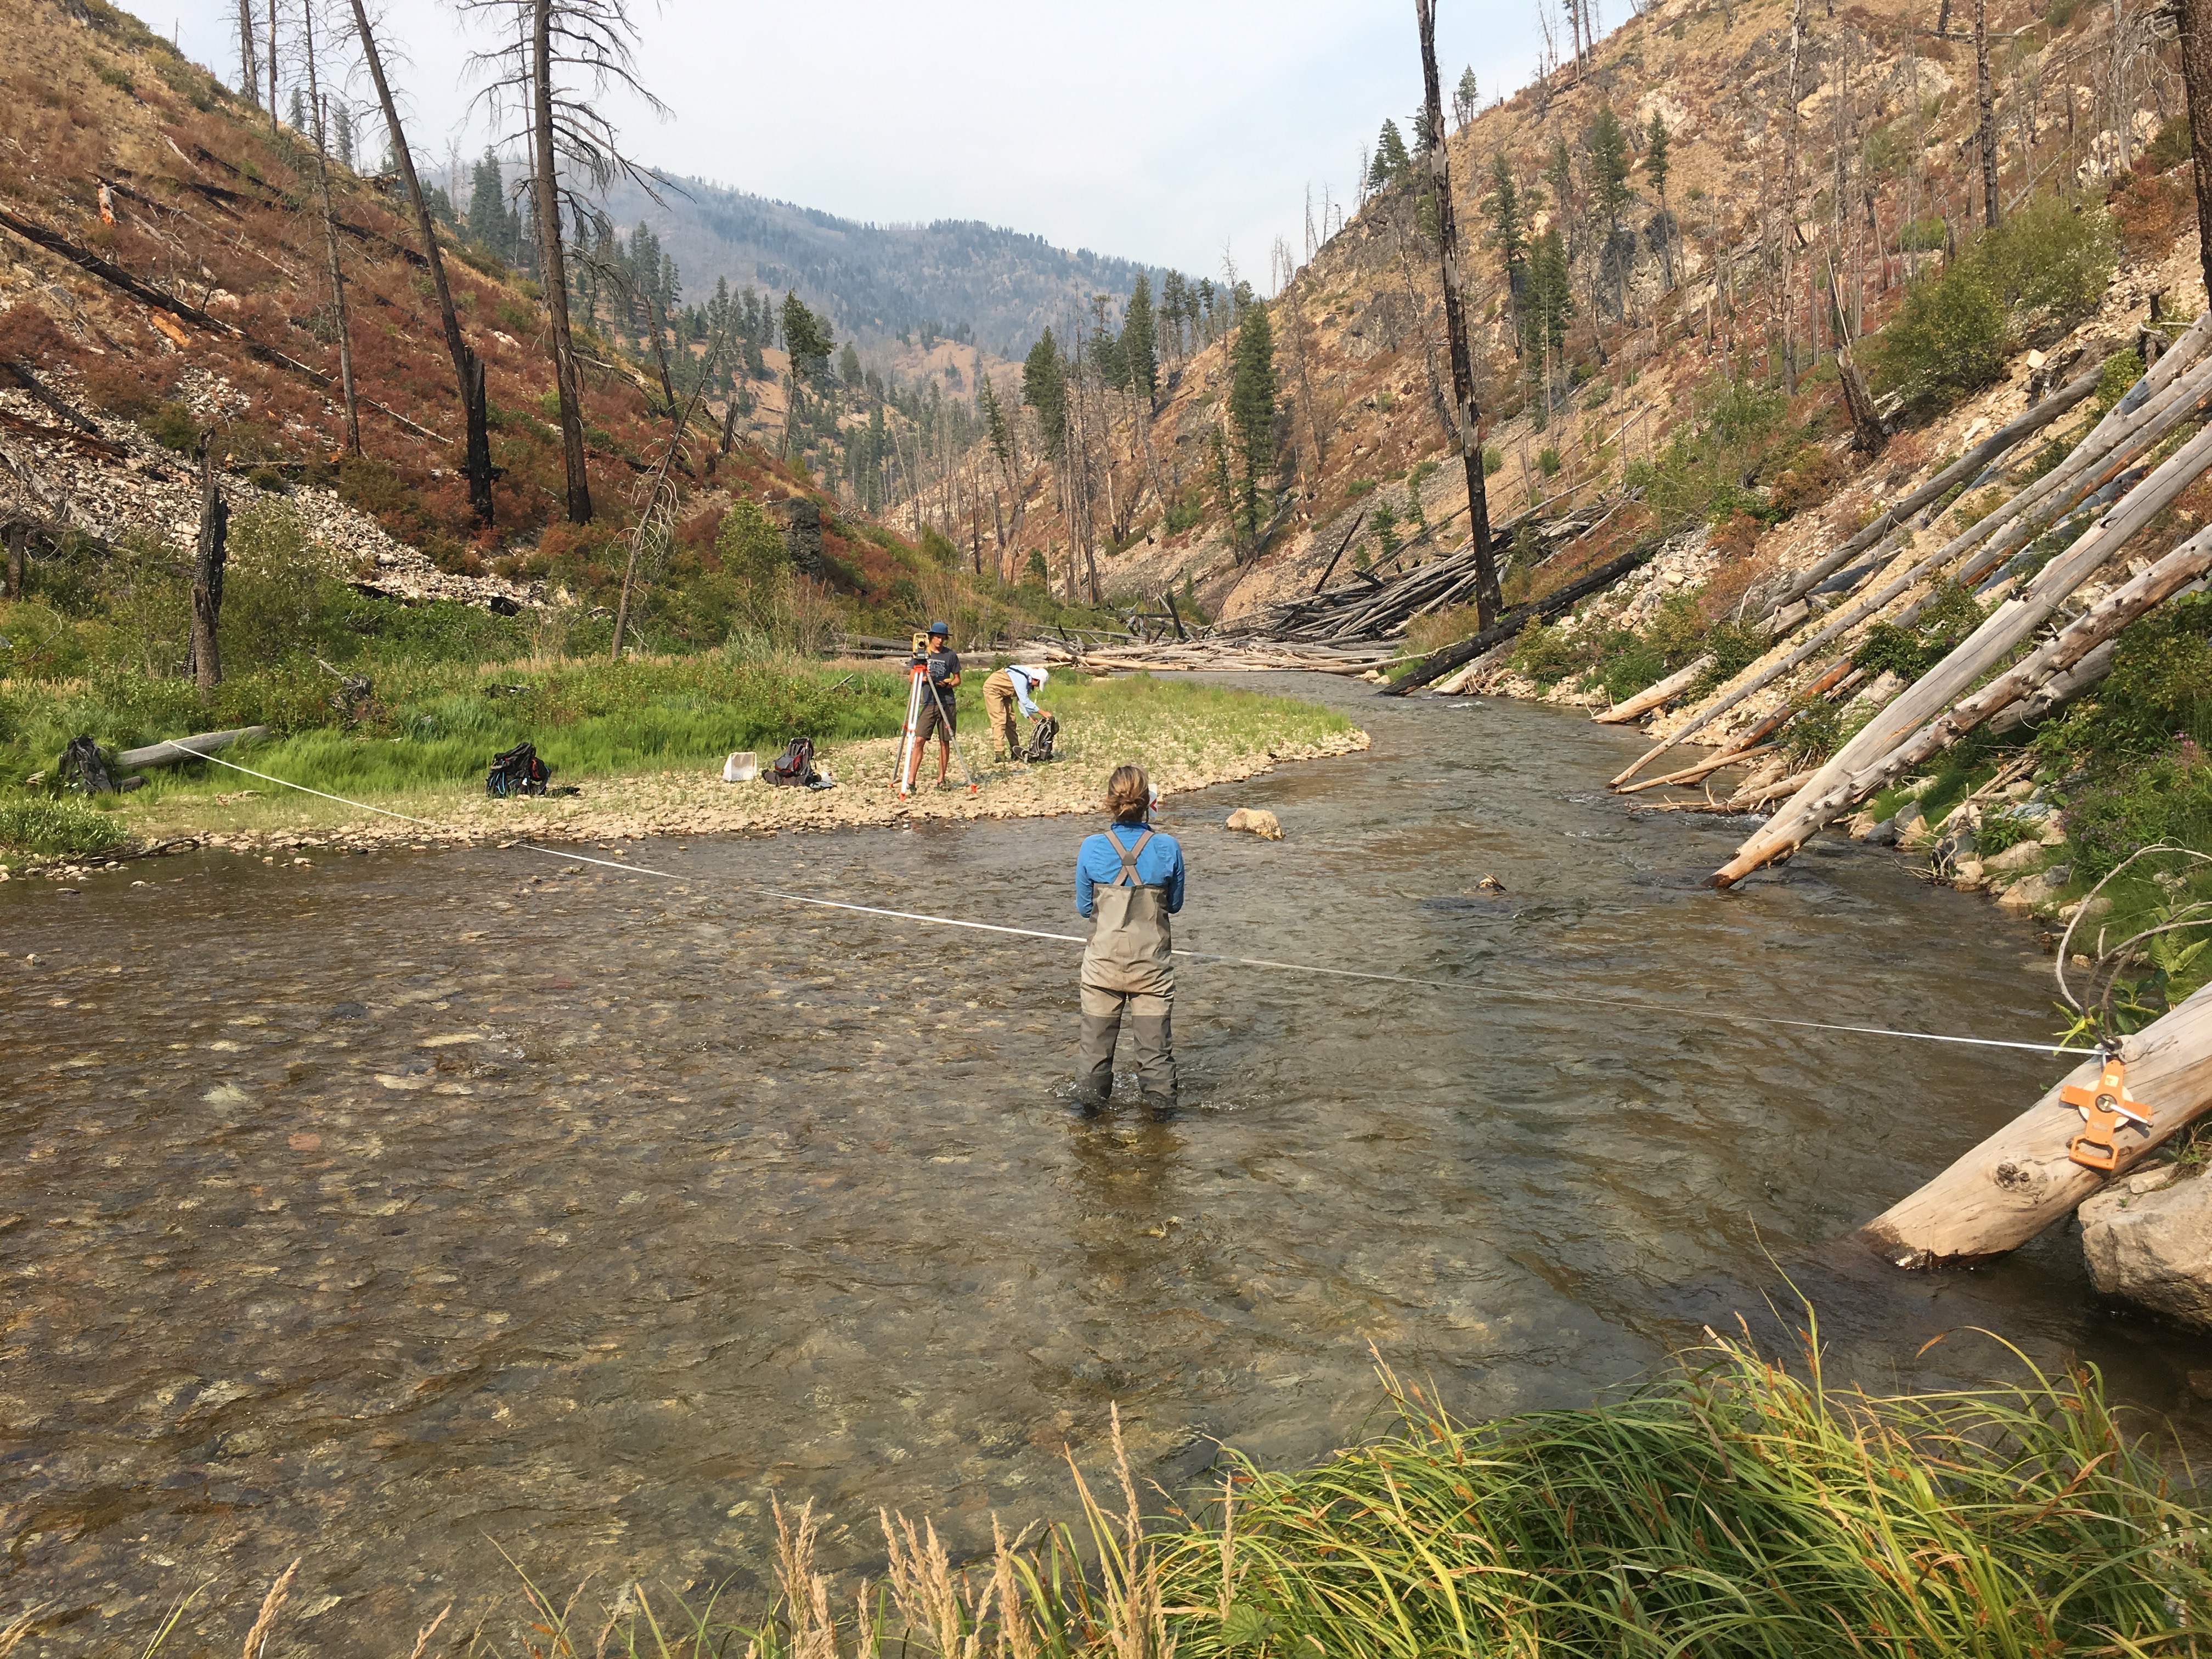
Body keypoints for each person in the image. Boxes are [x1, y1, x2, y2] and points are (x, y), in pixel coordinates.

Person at [1075, 764, 1185, 1116]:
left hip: (1101, 969)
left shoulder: (1091, 848)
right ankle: (1160, 1134)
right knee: (1155, 1058)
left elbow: (1083, 908)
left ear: (1110, 801)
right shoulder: (1169, 847)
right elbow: (1176, 905)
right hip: (1151, 970)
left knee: (1094, 1057)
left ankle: (1089, 1129)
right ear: (1148, 802)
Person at [905, 621, 961, 791]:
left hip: (946, 702)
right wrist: (922, 679)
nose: (940, 640)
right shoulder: (920, 654)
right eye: (937, 637)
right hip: (929, 702)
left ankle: (941, 779)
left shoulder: (951, 656)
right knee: (920, 739)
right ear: (931, 637)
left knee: (945, 741)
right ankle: (911, 780)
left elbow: (958, 680)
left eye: (943, 637)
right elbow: (911, 678)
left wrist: (949, 684)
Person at [981, 663, 1052, 761]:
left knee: (1011, 721)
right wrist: (1043, 713)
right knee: (1000, 720)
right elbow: (1025, 701)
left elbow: (1021, 701)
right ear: (1036, 679)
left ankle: (1015, 750)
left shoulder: (1027, 679)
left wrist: (1029, 715)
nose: (1036, 687)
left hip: (1005, 693)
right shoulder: (1022, 678)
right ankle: (999, 753)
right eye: (1038, 684)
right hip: (993, 689)